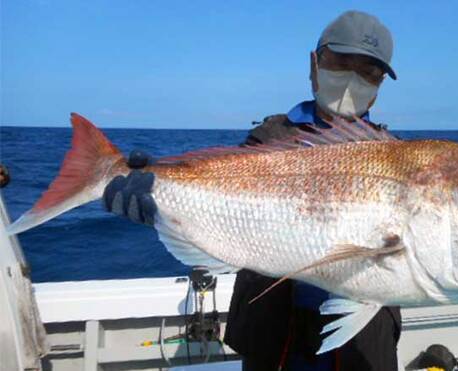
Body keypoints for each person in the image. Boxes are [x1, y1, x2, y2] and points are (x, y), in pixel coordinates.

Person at [102, 10, 401, 371]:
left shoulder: (395, 159)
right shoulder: (268, 140)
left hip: (362, 345)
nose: (353, 79)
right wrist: (158, 198)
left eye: (369, 72)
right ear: (314, 64)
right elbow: (224, 208)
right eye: (340, 62)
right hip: (275, 336)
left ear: (380, 85)